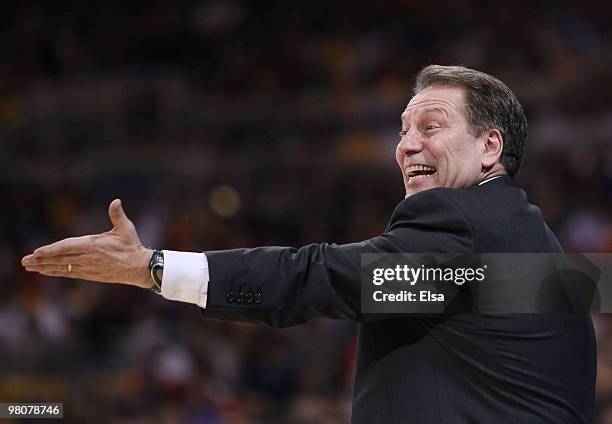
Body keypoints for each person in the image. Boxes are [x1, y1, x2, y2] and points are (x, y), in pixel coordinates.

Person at [22, 65, 596, 423]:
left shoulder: (466, 223)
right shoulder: (535, 247)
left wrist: (151, 268)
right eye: (402, 129)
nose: (405, 146)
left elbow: (318, 278)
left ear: (490, 147)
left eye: (431, 127)